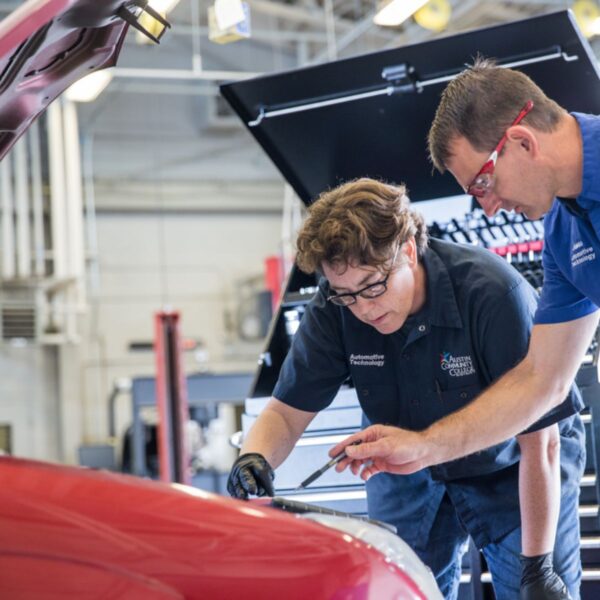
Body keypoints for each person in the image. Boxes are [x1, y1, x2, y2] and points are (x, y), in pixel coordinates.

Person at [227, 178, 585, 600]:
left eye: (374, 287)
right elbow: (286, 412)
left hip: (511, 469)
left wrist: (538, 566)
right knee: (393, 591)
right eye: (347, 296)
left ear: (409, 250)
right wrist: (254, 458)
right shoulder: (334, 306)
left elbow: (540, 442)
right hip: (403, 470)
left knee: (537, 592)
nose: (363, 308)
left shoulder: (492, 293)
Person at [331, 57, 599, 487]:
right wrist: (424, 446)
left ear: (521, 142)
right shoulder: (562, 230)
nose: (488, 207)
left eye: (483, 185)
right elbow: (540, 379)